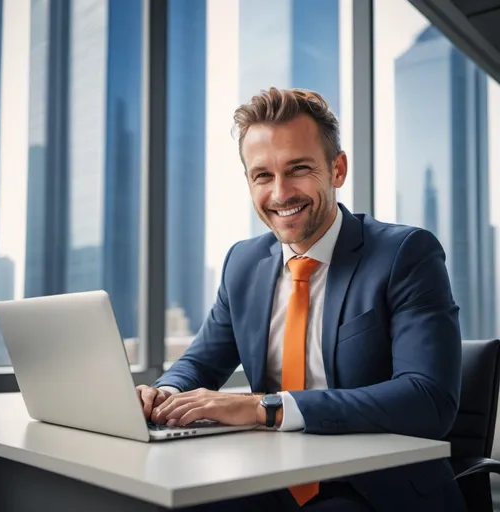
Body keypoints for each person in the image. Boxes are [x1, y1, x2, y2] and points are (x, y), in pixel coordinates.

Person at [137, 88, 466, 512]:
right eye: (262, 175)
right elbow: (200, 363)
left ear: (337, 169)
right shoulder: (243, 263)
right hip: (268, 479)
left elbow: (428, 400)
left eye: (298, 169)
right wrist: (163, 394)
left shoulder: (405, 254)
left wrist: (265, 408)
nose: (280, 194)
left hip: (375, 489)